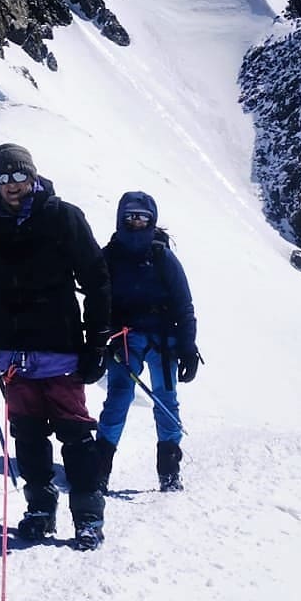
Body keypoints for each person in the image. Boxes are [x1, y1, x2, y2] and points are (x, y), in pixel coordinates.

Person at [0, 144, 112, 550]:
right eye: (3, 178)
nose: (12, 185)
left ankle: (88, 516)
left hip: (61, 348)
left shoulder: (63, 217)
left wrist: (97, 341)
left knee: (76, 435)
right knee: (27, 436)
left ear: (33, 175)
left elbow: (97, 280)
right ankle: (40, 509)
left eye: (18, 176)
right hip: (12, 353)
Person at [93, 192, 199, 493]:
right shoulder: (109, 256)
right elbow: (96, 300)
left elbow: (184, 304)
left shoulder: (162, 257)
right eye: (130, 217)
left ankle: (169, 470)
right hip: (124, 339)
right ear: (120, 218)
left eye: (142, 217)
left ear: (152, 220)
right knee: (118, 398)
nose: (135, 222)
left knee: (166, 400)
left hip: (162, 339)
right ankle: (100, 471)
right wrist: (100, 339)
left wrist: (188, 347)